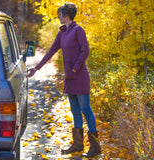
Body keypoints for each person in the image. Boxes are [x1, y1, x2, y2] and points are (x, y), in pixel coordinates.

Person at [27, 2, 101, 158]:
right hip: (70, 78)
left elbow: (85, 50)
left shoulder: (78, 30)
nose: (58, 16)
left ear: (66, 15)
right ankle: (78, 145)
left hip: (79, 76)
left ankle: (95, 147)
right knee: (75, 111)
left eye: (59, 14)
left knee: (85, 109)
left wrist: (75, 67)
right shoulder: (62, 33)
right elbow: (50, 52)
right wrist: (36, 68)